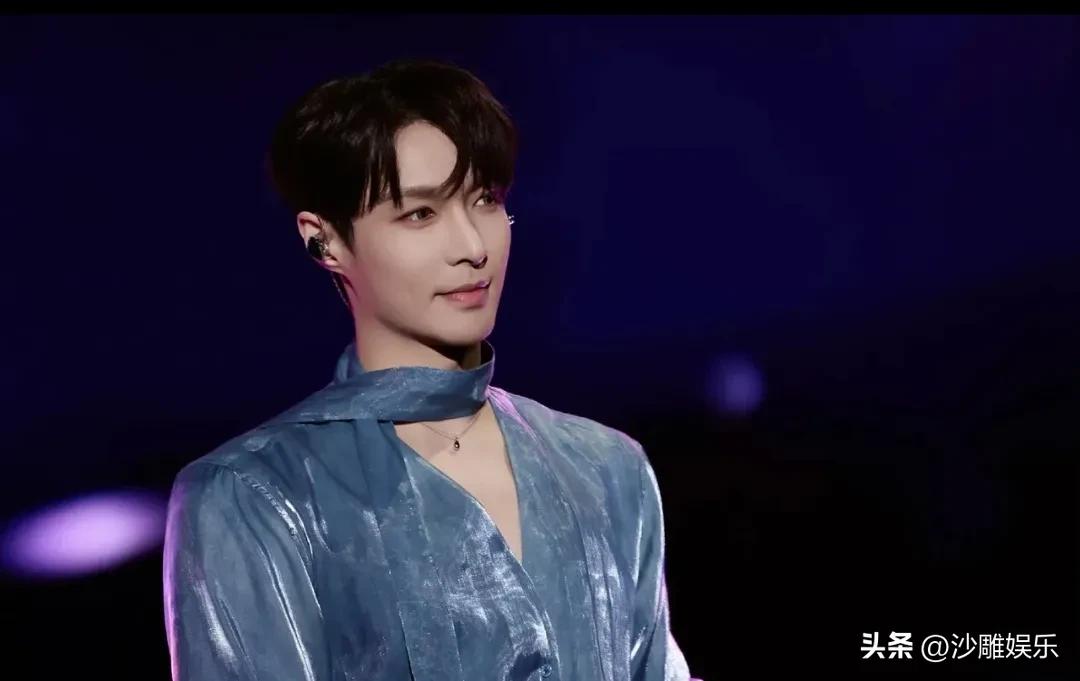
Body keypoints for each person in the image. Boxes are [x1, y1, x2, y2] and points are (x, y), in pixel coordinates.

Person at [162, 58, 695, 681]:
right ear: (324, 240)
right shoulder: (254, 497)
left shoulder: (607, 469)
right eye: (420, 214)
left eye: (485, 200)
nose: (473, 247)